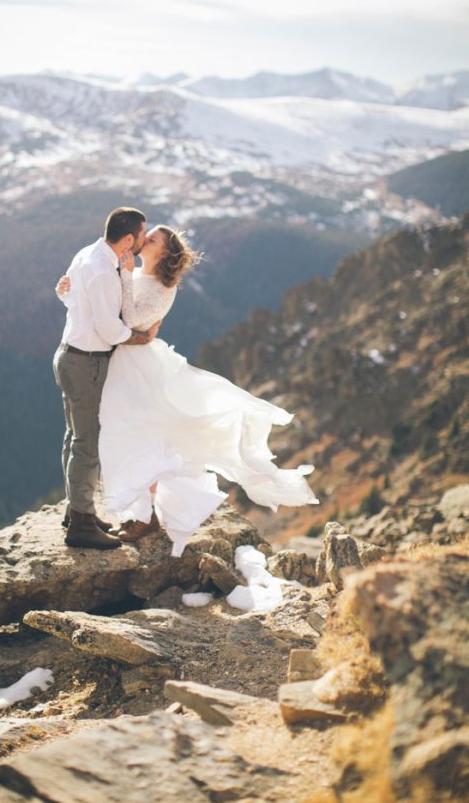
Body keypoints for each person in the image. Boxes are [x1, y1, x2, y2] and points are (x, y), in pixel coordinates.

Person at [63, 223, 319, 558]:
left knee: (144, 437)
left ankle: (147, 514)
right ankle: (129, 511)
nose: (143, 241)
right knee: (124, 436)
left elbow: (133, 319)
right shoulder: (132, 274)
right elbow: (104, 309)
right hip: (121, 363)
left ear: (165, 252)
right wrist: (72, 291)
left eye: (151, 239)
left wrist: (125, 277)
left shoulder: (163, 287)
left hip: (138, 368)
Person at [53, 207, 159, 550]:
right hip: (86, 363)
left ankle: (77, 510)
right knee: (87, 442)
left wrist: (63, 292)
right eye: (142, 235)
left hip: (71, 355)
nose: (144, 240)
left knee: (75, 436)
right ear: (128, 239)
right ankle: (81, 525)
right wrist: (141, 338)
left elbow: (70, 296)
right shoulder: (102, 270)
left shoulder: (88, 254)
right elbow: (110, 329)